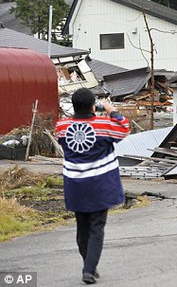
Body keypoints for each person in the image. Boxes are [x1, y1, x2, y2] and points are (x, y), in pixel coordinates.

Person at [56, 88, 129, 284]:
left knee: (82, 227)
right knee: (97, 227)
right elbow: (124, 129)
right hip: (100, 184)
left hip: (75, 185)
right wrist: (111, 110)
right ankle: (88, 270)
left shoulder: (62, 126)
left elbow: (62, 139)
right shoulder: (103, 125)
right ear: (92, 106)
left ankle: (89, 265)